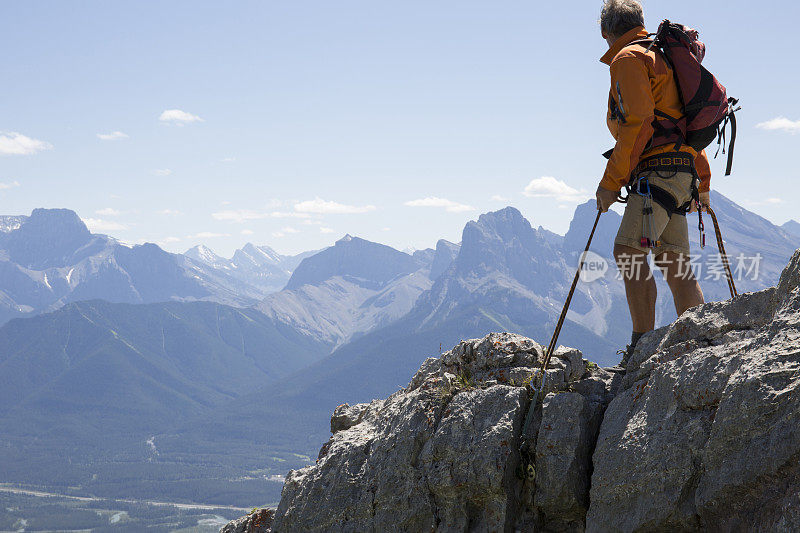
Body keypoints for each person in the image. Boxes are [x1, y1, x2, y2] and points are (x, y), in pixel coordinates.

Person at [595, 0, 711, 367]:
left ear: (605, 32)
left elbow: (640, 122)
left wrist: (610, 182)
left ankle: (641, 347)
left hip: (656, 173)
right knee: (674, 262)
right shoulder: (662, 56)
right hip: (680, 172)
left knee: (628, 252)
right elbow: (685, 125)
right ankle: (702, 344)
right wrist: (701, 182)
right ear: (640, 24)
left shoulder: (629, 59)